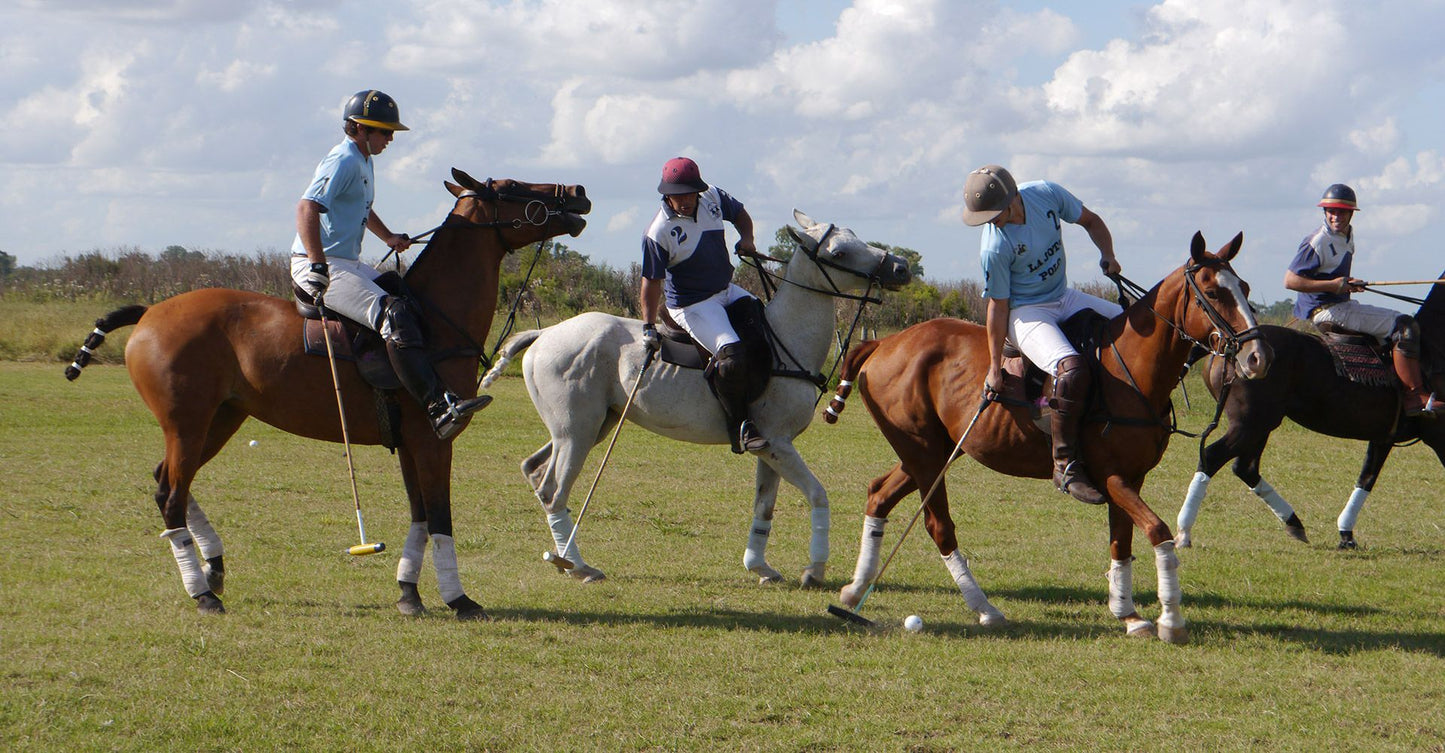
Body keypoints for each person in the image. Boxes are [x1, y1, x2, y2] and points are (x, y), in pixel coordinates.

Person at [292, 89, 490, 440]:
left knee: (404, 292)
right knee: (392, 314)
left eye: (391, 132)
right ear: (360, 129)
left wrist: (388, 238)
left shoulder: (363, 160)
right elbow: (307, 207)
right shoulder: (343, 160)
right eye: (385, 131)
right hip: (321, 266)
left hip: (344, 263)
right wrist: (317, 264)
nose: (391, 139)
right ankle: (437, 407)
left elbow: (362, 210)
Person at [962, 164, 1123, 505]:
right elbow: (998, 308)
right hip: (1025, 312)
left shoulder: (1046, 194)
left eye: (995, 214)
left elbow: (1091, 221)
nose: (993, 222)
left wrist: (1107, 255)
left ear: (1014, 199)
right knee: (1072, 368)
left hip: (1063, 295)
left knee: (1131, 325)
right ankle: (1065, 465)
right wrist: (993, 367)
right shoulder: (994, 246)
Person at [639, 156, 768, 454]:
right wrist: (647, 326)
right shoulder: (658, 232)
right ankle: (742, 427)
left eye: (688, 193)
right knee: (731, 355)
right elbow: (651, 282)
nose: (684, 200)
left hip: (725, 289)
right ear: (666, 194)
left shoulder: (711, 196)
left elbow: (740, 214)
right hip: (692, 304)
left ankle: (767, 400)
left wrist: (747, 239)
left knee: (761, 322)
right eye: (677, 195)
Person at [1284, 183, 1437, 416]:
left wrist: (1348, 283)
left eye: (1342, 212)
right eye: (1331, 211)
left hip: (1341, 304)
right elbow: (1291, 280)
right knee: (1406, 326)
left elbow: (1332, 275)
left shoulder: (1346, 236)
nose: (1336, 216)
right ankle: (1414, 397)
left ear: (1351, 214)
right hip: (1326, 309)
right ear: (1324, 212)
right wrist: (1334, 285)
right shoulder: (1317, 241)